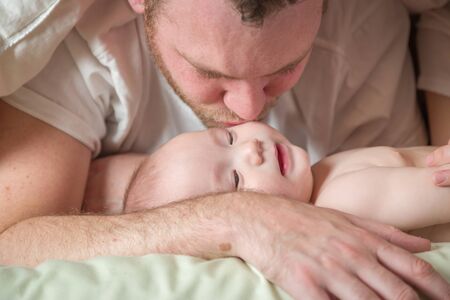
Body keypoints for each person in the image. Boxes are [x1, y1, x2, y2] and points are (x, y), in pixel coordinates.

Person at [1, 0, 450, 299]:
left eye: (287, 66)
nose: (250, 110)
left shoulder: (371, 18)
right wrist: (233, 218)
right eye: (208, 73)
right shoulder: (77, 51)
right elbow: (11, 245)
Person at [83, 122, 450, 242]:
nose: (251, 150)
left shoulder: (324, 174)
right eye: (237, 180)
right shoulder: (341, 203)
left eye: (228, 138)